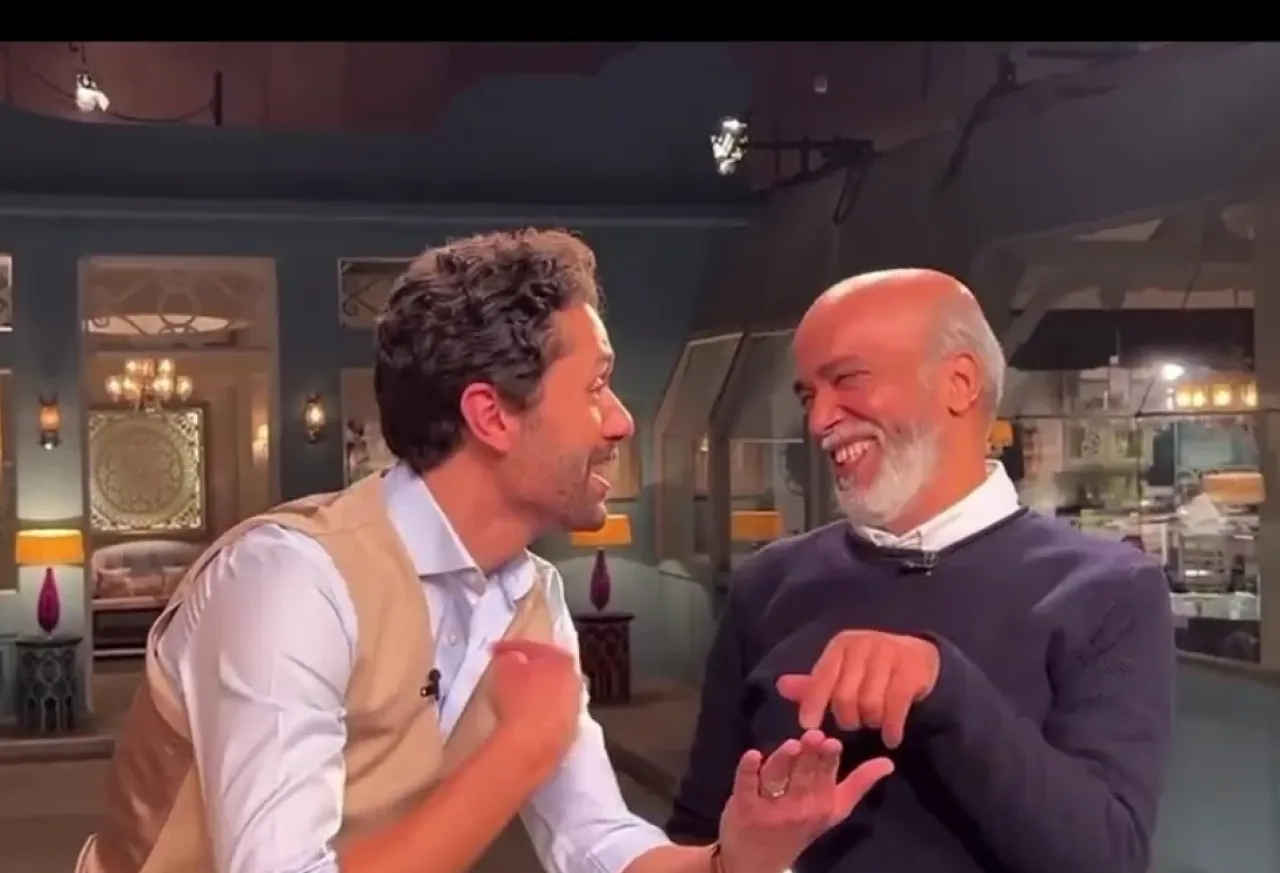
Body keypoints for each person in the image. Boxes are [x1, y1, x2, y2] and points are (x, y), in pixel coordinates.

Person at [78, 229, 894, 873]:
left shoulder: (530, 595)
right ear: (492, 414)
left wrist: (733, 859)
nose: (621, 421)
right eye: (595, 386)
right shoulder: (290, 581)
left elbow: (596, 841)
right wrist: (520, 748)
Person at [667, 268, 1175, 873]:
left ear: (959, 383)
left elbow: (1106, 860)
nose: (819, 420)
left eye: (846, 379)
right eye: (807, 396)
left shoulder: (1109, 591)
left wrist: (944, 686)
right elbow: (696, 837)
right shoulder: (767, 586)